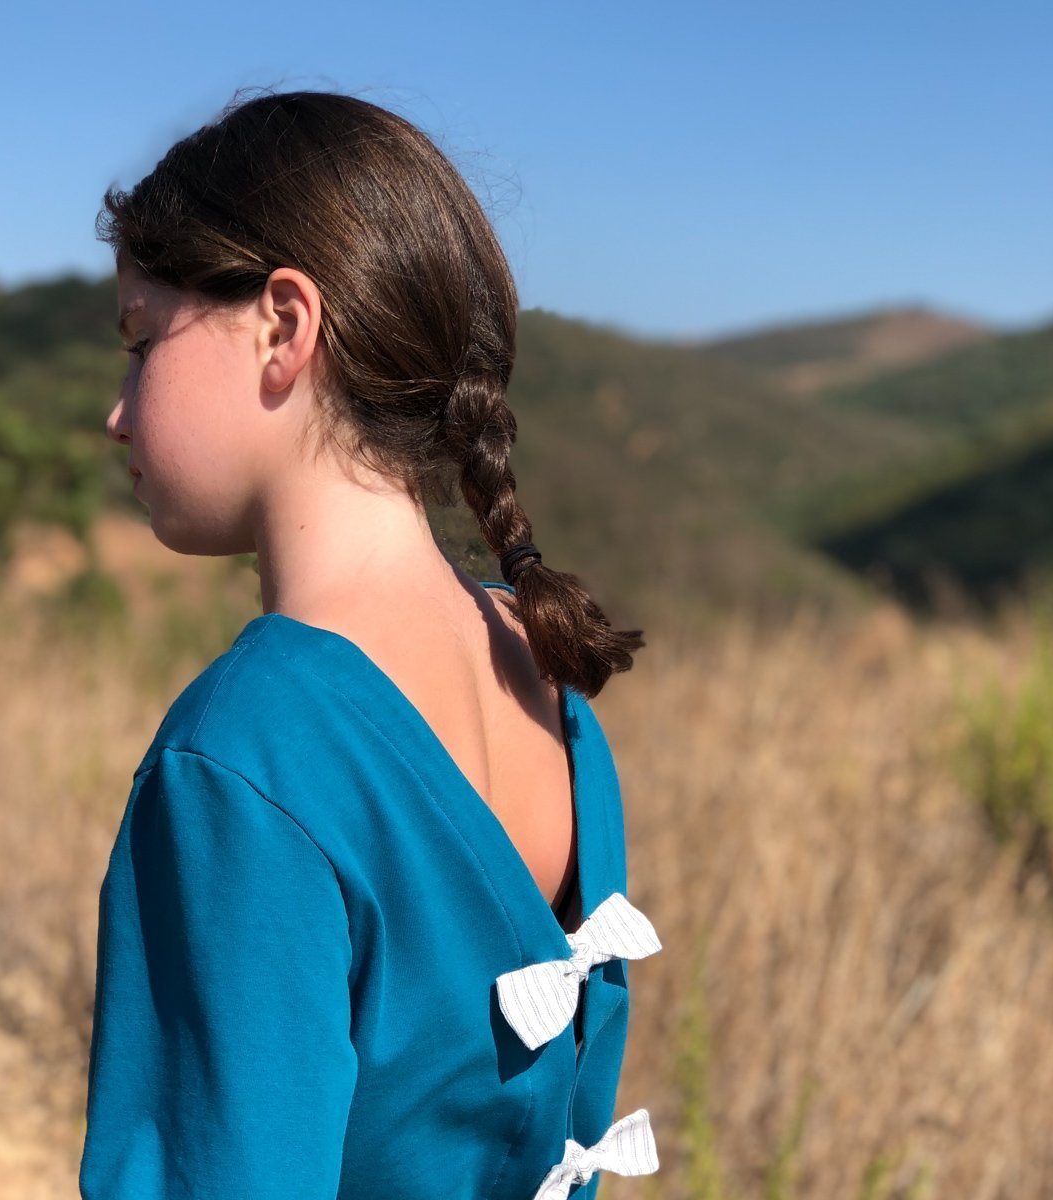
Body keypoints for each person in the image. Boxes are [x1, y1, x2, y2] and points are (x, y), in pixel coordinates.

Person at [79, 88, 663, 1200]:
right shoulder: (539, 667)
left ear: (283, 328)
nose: (117, 411)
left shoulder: (246, 753)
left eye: (143, 342)